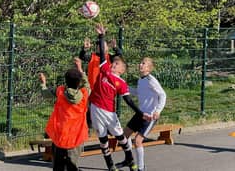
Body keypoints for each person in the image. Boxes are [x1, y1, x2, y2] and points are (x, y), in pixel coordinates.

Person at [89, 23, 151, 171]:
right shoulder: (104, 70)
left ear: (121, 70)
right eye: (112, 63)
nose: (112, 64)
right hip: (95, 108)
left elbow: (128, 100)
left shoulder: (121, 83)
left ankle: (130, 160)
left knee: (121, 137)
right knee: (102, 140)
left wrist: (141, 113)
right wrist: (101, 35)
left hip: (109, 113)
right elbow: (103, 53)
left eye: (115, 64)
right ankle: (110, 165)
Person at [39, 57, 90, 171]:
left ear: (66, 82)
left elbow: (46, 94)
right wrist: (80, 69)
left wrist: (43, 83)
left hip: (60, 136)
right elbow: (87, 84)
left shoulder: (60, 91)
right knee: (73, 166)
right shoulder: (84, 94)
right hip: (76, 137)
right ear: (79, 82)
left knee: (58, 166)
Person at [116, 57, 167, 171]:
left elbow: (163, 95)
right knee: (125, 135)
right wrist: (123, 86)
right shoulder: (141, 80)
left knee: (138, 141)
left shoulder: (151, 80)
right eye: (140, 62)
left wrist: (158, 111)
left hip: (149, 116)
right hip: (140, 113)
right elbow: (138, 92)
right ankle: (128, 160)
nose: (140, 64)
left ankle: (141, 168)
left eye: (143, 63)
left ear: (149, 68)